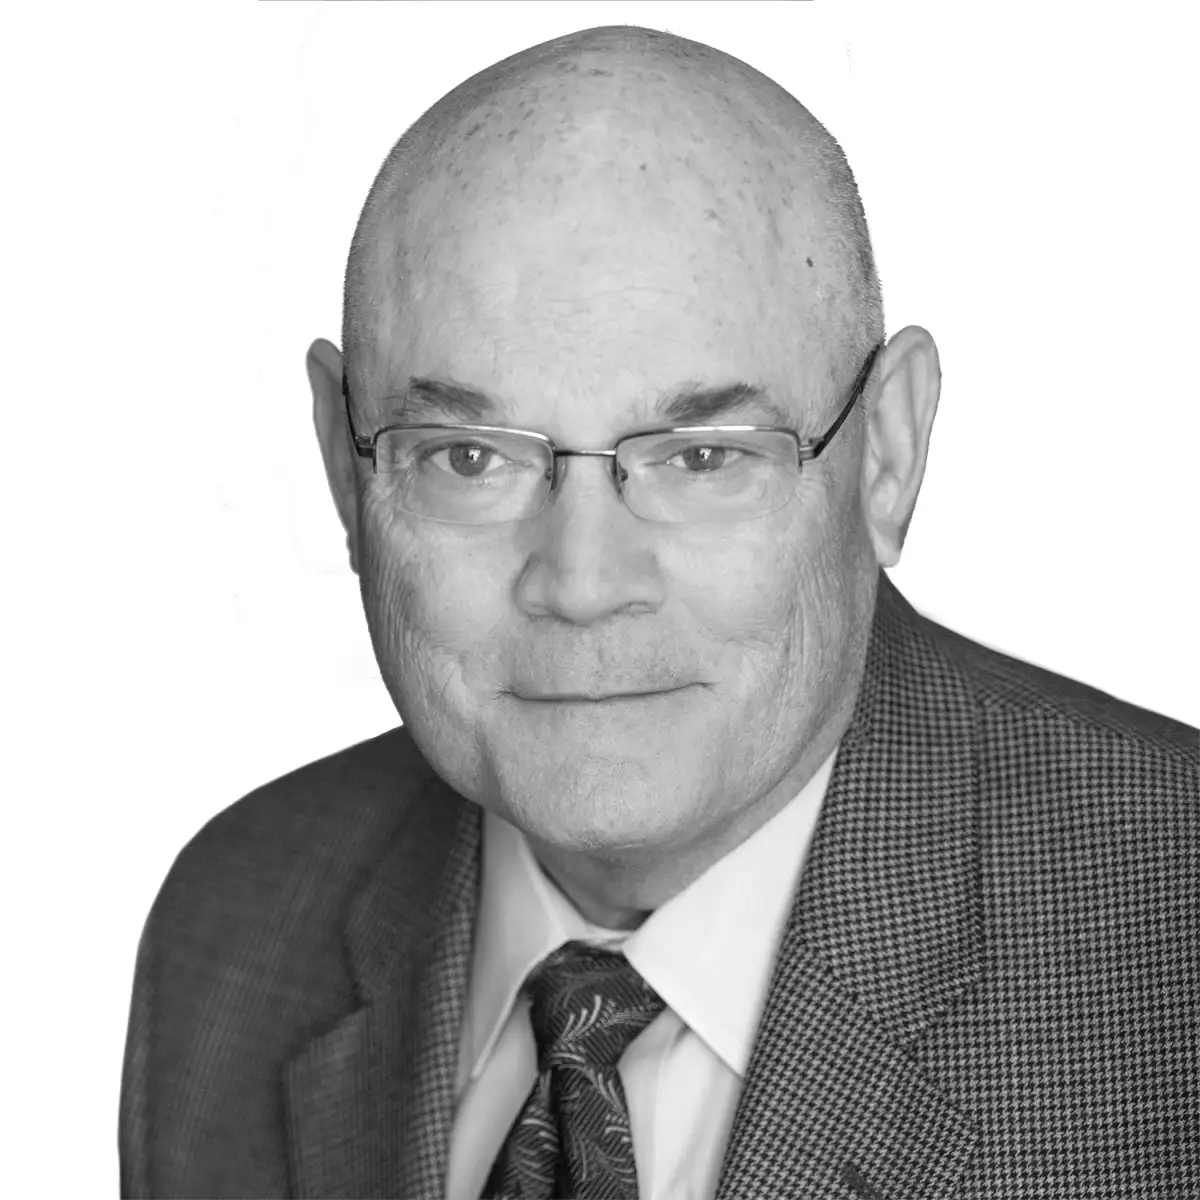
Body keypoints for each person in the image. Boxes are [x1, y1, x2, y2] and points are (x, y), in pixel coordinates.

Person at [118, 24, 1199, 1200]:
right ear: (346, 465)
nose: (583, 584)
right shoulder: (238, 927)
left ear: (887, 454)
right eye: (469, 458)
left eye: (701, 457)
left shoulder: (1169, 945)